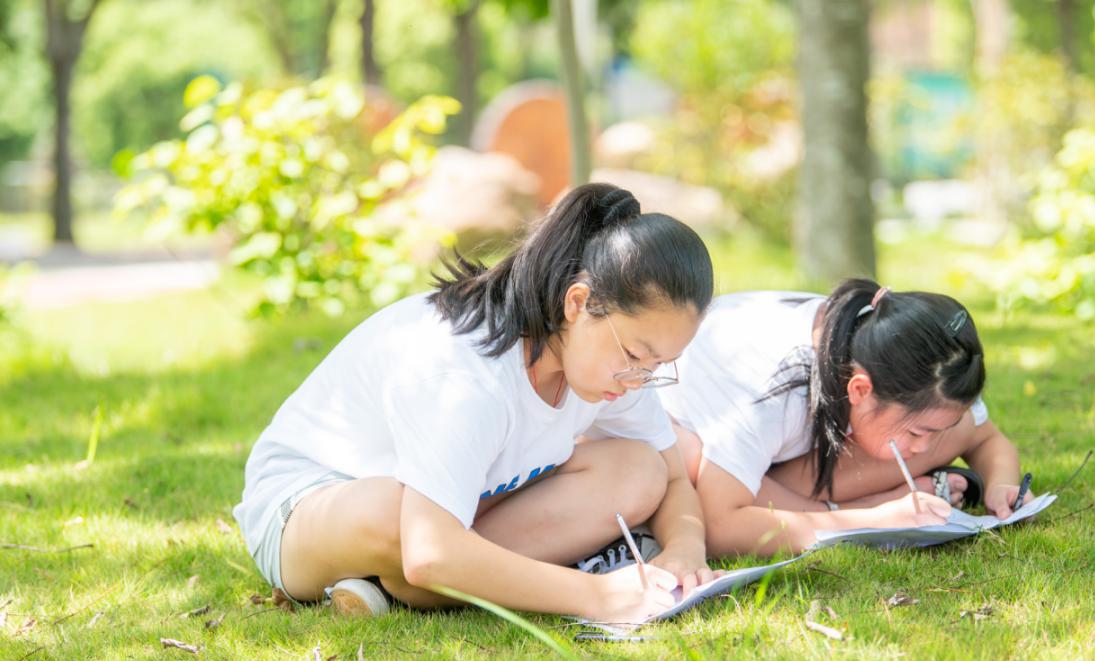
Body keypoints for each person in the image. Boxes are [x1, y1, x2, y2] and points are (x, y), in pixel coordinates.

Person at [232, 183, 717, 624]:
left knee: (640, 469)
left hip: (446, 516)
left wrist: (685, 548)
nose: (640, 379)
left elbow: (672, 473)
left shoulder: (603, 365)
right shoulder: (465, 371)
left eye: (658, 365)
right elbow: (425, 549)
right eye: (635, 355)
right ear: (577, 303)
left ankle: (410, 587)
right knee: (399, 519)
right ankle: (434, 576)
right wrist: (594, 596)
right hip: (309, 507)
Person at [658, 279, 1033, 557]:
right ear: (859, 390)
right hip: (688, 444)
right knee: (688, 456)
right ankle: (872, 505)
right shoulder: (766, 388)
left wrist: (1002, 486)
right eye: (917, 431)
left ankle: (879, 502)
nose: (925, 447)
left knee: (958, 429)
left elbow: (985, 438)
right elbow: (719, 526)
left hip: (775, 461)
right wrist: (873, 519)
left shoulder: (902, 363)